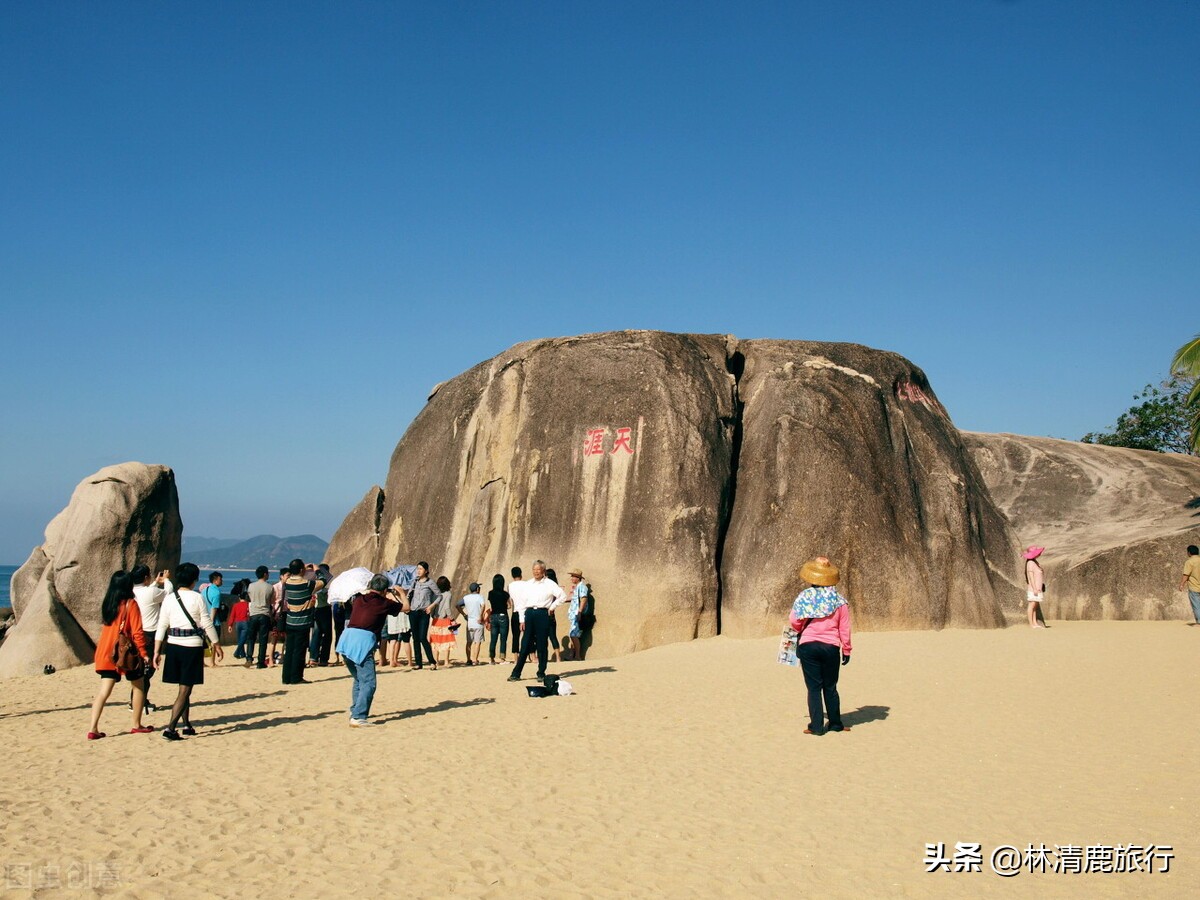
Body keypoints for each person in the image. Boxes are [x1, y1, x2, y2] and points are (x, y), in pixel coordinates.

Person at [155, 562, 223, 741]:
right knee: (185, 689)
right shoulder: (196, 597)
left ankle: (186, 724)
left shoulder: (170, 598)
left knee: (185, 687)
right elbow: (206, 622)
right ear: (194, 580)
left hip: (173, 646)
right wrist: (216, 643)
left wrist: (156, 650)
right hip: (191, 646)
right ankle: (170, 728)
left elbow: (162, 624)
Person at [789, 556, 853, 736]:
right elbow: (844, 628)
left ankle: (816, 727)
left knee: (814, 688)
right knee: (830, 687)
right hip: (831, 647)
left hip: (808, 646)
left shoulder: (803, 597)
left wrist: (801, 629)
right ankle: (835, 724)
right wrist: (846, 649)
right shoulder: (839, 601)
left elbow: (794, 621)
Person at [88, 571, 153, 739]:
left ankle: (93, 728)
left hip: (106, 651)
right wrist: (144, 653)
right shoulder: (131, 604)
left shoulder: (108, 604)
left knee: (103, 692)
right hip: (124, 653)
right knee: (138, 686)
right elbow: (137, 632)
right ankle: (136, 724)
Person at [336, 575, 407, 726]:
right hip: (363, 642)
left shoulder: (359, 599)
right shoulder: (383, 603)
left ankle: (355, 710)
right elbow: (406, 608)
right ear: (384, 590)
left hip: (346, 639)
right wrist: (402, 594)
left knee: (359, 679)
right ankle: (358, 716)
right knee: (369, 682)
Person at [508, 560, 566, 682]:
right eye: (534, 570)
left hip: (543, 613)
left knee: (542, 644)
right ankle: (516, 673)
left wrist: (552, 607)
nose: (536, 572)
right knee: (525, 644)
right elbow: (522, 602)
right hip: (529, 613)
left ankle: (541, 672)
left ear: (543, 571)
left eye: (538, 570)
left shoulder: (550, 584)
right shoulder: (528, 584)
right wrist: (522, 619)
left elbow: (563, 596)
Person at [130, 564, 171, 713]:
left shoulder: (131, 591)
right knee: (148, 669)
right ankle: (139, 701)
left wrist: (155, 583)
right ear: (146, 577)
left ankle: (135, 700)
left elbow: (149, 593)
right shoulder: (151, 592)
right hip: (151, 634)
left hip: (135, 633)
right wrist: (166, 580)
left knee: (139, 669)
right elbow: (168, 592)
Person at [281, 558, 316, 685]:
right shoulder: (307, 583)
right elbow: (325, 580)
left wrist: (302, 569)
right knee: (299, 650)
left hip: (290, 621)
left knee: (289, 649)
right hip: (302, 621)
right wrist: (317, 569)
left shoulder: (287, 582)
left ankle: (286, 677)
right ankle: (296, 677)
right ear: (302, 570)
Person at [407, 562, 439, 670]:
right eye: (417, 569)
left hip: (424, 612)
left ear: (426, 570)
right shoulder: (414, 582)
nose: (418, 571)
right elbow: (409, 595)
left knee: (422, 638)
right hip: (413, 612)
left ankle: (432, 662)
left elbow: (439, 596)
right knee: (415, 638)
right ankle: (418, 663)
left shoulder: (430, 583)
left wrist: (431, 606)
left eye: (420, 569)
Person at [245, 566, 274, 668]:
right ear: (265, 574)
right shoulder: (270, 587)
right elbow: (272, 602)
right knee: (263, 640)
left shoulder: (251, 586)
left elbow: (249, 598)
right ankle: (260, 662)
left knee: (251, 638)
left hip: (253, 613)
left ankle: (249, 658)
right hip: (264, 614)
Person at [430, 575, 459, 667]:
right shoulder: (448, 594)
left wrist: (433, 615)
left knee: (435, 641)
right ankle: (446, 662)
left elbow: (433, 607)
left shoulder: (435, 594)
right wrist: (452, 619)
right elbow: (447, 608)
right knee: (447, 640)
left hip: (435, 620)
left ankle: (436, 661)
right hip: (445, 620)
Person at [308, 563, 333, 666]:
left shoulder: (313, 582)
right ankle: (323, 659)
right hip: (324, 609)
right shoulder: (323, 583)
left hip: (316, 610)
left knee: (316, 634)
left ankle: (313, 658)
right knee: (326, 635)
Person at [458, 582, 486, 665]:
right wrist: (481, 616)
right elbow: (483, 605)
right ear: (477, 589)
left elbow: (457, 605)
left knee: (469, 642)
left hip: (470, 622)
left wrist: (464, 614)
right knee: (477, 642)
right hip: (478, 622)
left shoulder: (466, 598)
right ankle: (475, 659)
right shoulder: (480, 597)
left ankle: (468, 659)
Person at [484, 574, 510, 664]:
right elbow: (509, 606)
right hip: (503, 616)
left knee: (493, 638)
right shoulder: (505, 594)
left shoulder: (490, 593)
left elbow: (491, 604)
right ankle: (502, 658)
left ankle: (491, 658)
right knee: (503, 639)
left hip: (493, 616)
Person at [566, 569, 590, 662]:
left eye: (573, 576)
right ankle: (572, 655)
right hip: (574, 614)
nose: (571, 578)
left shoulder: (582, 587)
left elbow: (584, 599)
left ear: (577, 578)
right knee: (572, 634)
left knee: (573, 635)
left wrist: (579, 612)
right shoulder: (577, 587)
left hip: (577, 614)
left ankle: (578, 656)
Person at [199, 571, 224, 661]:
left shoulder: (204, 590)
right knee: (214, 641)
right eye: (220, 579)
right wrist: (211, 621)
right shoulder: (216, 592)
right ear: (216, 580)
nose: (222, 581)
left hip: (202, 619)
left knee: (203, 642)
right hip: (213, 621)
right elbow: (214, 608)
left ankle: (202, 662)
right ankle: (212, 662)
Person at [268, 567, 288, 666]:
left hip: (286, 613)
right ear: (281, 576)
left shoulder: (289, 587)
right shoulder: (275, 587)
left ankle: (283, 658)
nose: (289, 577)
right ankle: (271, 659)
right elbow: (271, 602)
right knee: (274, 638)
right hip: (277, 614)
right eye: (287, 575)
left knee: (287, 637)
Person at [1024, 546, 1048, 629]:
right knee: (1032, 605)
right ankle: (1031, 624)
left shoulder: (1035, 562)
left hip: (1038, 588)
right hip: (1033, 588)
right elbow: (1031, 577)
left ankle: (1035, 622)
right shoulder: (1030, 563)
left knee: (1035, 605)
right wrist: (1034, 588)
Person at [227, 580, 251, 659]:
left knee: (240, 638)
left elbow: (232, 615)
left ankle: (242, 653)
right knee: (243, 639)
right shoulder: (248, 605)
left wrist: (230, 625)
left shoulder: (236, 605)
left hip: (237, 623)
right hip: (245, 622)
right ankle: (237, 652)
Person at [1179, 545, 1200, 625]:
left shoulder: (1189, 562)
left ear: (1189, 553)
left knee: (1196, 605)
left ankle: (1199, 622)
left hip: (1194, 587)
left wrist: (1181, 584)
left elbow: (1186, 574)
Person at [508, 566, 523, 657]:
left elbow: (510, 601)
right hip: (525, 612)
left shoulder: (509, 586)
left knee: (515, 636)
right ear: (521, 574)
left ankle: (515, 657)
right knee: (528, 635)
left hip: (515, 611)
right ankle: (532, 655)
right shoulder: (526, 584)